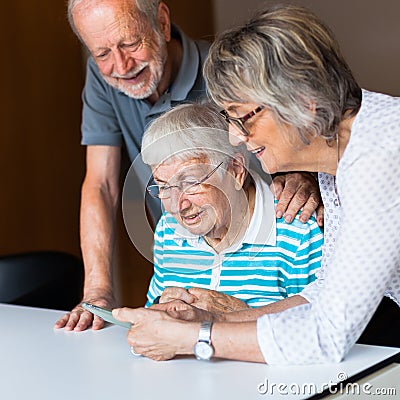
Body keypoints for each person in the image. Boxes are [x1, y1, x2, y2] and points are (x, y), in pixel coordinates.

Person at [112, 4, 400, 364]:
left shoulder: (380, 159)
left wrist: (194, 338)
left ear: (302, 102)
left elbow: (326, 336)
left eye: (242, 117)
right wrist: (215, 319)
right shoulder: (337, 159)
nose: (235, 136)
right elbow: (324, 292)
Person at [55, 0, 323, 332]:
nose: (120, 65)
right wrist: (97, 292)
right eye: (102, 53)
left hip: (267, 240)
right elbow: (101, 185)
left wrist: (306, 174)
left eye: (131, 44)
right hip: (193, 247)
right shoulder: (170, 234)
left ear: (162, 22)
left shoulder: (227, 73)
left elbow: (297, 133)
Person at [140, 103, 323, 311]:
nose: (177, 206)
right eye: (164, 187)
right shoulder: (168, 230)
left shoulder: (297, 231)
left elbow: (321, 329)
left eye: (190, 183)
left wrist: (240, 317)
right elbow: (151, 316)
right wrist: (158, 309)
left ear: (235, 171)